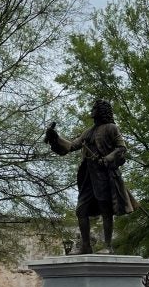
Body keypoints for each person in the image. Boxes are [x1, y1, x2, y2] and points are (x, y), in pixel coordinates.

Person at [45, 99, 136, 254]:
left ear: (101, 111)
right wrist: (56, 137)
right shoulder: (89, 131)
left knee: (106, 210)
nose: (91, 110)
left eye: (94, 108)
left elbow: (121, 148)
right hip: (88, 176)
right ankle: (86, 245)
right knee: (81, 210)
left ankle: (108, 246)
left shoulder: (111, 128)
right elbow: (72, 146)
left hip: (105, 176)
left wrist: (108, 158)